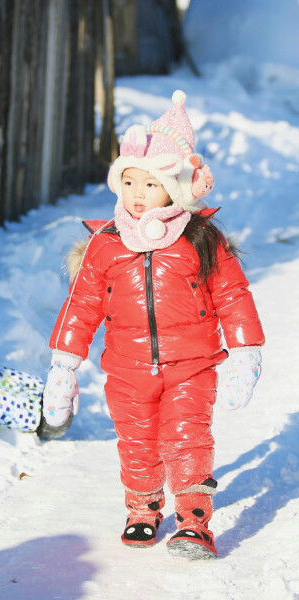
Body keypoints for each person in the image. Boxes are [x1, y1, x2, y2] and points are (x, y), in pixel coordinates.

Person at [42, 91, 265, 560]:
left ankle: (193, 521)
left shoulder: (201, 238)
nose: (137, 195)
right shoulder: (105, 244)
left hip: (192, 365)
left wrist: (246, 350)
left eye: (151, 184)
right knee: (138, 441)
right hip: (127, 368)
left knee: (187, 438)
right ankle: (143, 506)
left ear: (178, 187)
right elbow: (81, 304)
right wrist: (64, 365)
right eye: (128, 182)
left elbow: (233, 294)